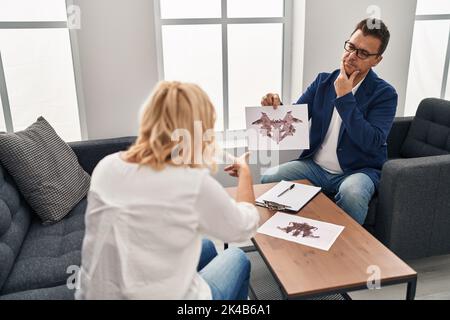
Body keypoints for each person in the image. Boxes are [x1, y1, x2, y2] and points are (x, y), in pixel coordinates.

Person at [75, 81, 260, 300]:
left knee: (207, 247)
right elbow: (244, 227)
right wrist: (245, 172)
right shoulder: (192, 184)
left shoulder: (106, 166)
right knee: (237, 257)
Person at [260, 18, 398, 225]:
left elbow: (372, 141)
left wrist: (344, 98)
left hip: (359, 171)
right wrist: (275, 108)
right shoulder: (323, 81)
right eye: (351, 47)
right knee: (270, 177)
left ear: (377, 60)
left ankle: (342, 253)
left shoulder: (385, 94)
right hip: (315, 167)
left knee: (352, 193)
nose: (351, 56)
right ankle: (287, 242)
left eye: (362, 53)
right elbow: (294, 122)